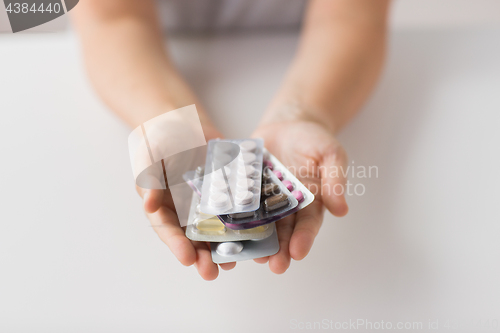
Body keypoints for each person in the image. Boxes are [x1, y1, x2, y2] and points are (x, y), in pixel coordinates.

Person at [72, 0, 391, 280]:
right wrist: (168, 117)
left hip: (304, 51)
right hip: (162, 50)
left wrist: (305, 112)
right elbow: (113, 18)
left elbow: (352, 17)